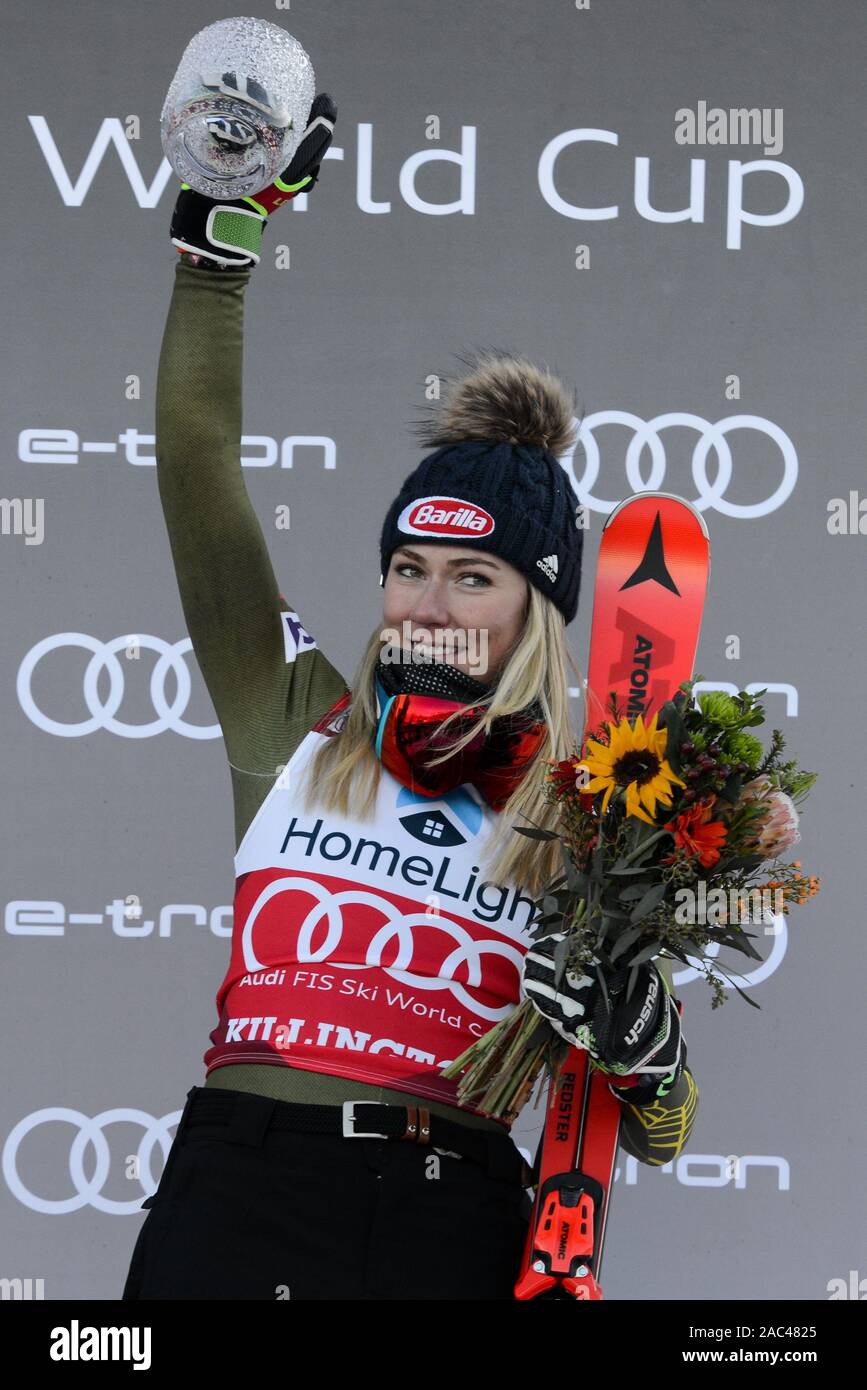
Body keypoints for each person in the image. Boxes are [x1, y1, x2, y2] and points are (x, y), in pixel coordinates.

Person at [121, 92, 698, 1302]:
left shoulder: (593, 817)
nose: (427, 604)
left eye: (471, 577)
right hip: (243, 1191)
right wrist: (218, 252)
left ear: (535, 609)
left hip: (456, 1216)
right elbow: (194, 460)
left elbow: (653, 1125)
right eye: (409, 568)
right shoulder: (298, 717)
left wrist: (652, 1061)